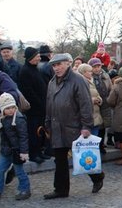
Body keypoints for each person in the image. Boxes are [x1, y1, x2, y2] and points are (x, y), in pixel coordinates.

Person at [43, 53, 104, 199]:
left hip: (75, 126)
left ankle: (98, 177)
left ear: (67, 64)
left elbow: (86, 105)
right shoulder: (52, 82)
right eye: (54, 65)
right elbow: (49, 103)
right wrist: (47, 122)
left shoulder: (78, 80)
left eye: (59, 64)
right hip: (57, 126)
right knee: (60, 159)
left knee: (81, 155)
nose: (56, 68)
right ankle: (61, 189)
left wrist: (86, 126)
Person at [0, 93, 31, 201]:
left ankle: (25, 189)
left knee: (20, 172)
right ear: (3, 109)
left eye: (12, 107)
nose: (10, 110)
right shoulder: (3, 119)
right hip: (6, 150)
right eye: (7, 108)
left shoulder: (19, 119)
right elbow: (0, 128)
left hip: (17, 150)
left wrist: (24, 152)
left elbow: (23, 136)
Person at [18, 47, 49, 163]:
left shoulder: (35, 69)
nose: (39, 58)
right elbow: (28, 91)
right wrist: (40, 103)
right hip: (33, 109)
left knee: (40, 131)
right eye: (37, 56)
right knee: (33, 132)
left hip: (41, 107)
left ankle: (39, 152)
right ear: (31, 57)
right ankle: (33, 153)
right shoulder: (25, 71)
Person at [89, 58, 113, 151]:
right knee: (96, 125)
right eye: (94, 67)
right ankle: (95, 145)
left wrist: (109, 99)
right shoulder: (89, 77)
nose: (97, 68)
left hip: (105, 103)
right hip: (95, 104)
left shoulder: (105, 75)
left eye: (98, 66)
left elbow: (111, 88)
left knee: (103, 125)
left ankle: (101, 144)